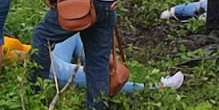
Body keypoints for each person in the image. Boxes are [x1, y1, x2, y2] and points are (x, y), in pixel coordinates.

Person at [44, 34, 184, 95]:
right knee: (99, 76)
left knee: (72, 34)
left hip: (46, 55)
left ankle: (106, 64)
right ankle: (157, 88)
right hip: (49, 67)